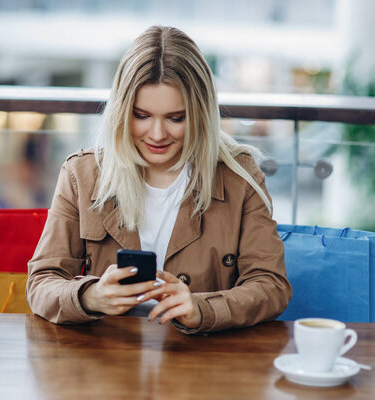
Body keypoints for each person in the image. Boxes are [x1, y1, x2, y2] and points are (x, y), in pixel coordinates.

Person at [26, 25, 292, 333]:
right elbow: (42, 284)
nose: (157, 134)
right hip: (107, 360)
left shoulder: (239, 177)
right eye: (141, 115)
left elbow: (272, 286)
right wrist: (91, 296)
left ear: (201, 113)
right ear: (122, 112)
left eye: (176, 118)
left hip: (203, 359)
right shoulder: (80, 175)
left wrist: (204, 309)